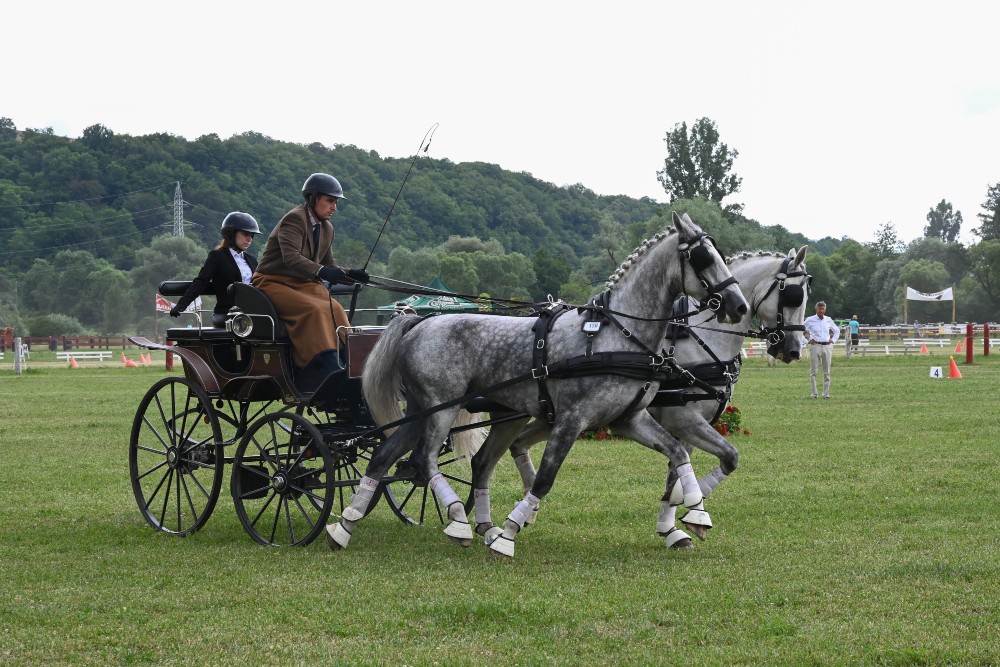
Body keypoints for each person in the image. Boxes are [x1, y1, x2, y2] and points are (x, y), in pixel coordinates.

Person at [251, 173, 369, 391]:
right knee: (314, 309)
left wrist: (351, 274)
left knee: (335, 308)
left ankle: (348, 362)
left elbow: (328, 265)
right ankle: (325, 365)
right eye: (330, 201)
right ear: (313, 198)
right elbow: (291, 258)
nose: (334, 207)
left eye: (335, 202)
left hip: (303, 283)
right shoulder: (294, 219)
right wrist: (324, 271)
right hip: (272, 281)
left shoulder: (327, 229)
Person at [170, 212, 260, 327]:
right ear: (231, 234)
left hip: (251, 313)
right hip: (227, 313)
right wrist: (181, 305)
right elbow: (201, 282)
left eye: (252, 235)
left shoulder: (251, 260)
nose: (249, 238)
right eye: (245, 233)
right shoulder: (217, 256)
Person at [804, 301, 839, 399]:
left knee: (827, 371)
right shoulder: (810, 320)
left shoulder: (828, 319)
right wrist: (807, 340)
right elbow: (800, 330)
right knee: (814, 371)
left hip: (827, 346)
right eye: (819, 308)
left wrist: (833, 340)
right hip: (815, 346)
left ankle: (826, 394)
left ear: (825, 310)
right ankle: (814, 394)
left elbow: (837, 330)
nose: (821, 310)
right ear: (816, 309)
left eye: (822, 309)